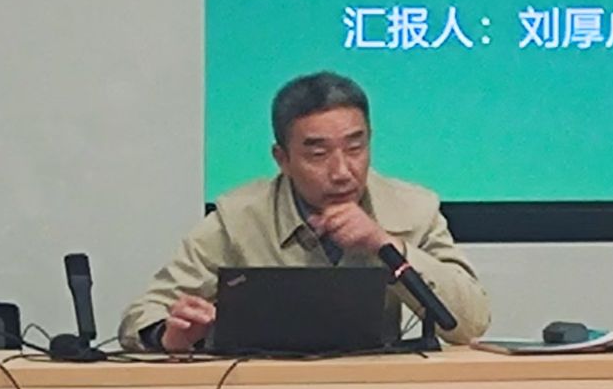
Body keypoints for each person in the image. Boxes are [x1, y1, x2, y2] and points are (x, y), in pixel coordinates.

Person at [119, 71, 491, 350]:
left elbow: (470, 324)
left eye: (355, 148)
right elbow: (142, 315)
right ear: (282, 158)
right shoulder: (238, 219)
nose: (342, 171)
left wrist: (385, 244)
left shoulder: (413, 209)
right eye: (318, 153)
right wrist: (169, 336)